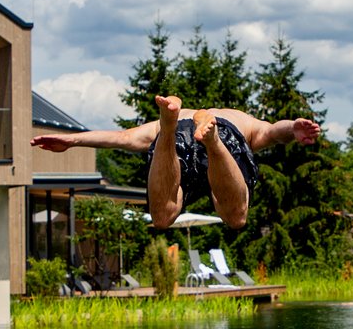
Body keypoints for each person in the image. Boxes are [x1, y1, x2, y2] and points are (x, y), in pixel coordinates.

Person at [30, 95, 320, 229]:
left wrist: (74, 140)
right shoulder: (240, 118)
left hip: (177, 134)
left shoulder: (187, 116)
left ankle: (166, 129)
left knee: (163, 217)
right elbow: (273, 132)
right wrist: (293, 128)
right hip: (226, 132)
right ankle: (213, 140)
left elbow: (122, 138)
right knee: (235, 217)